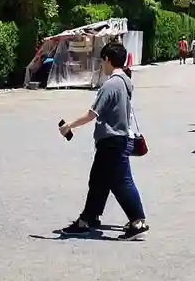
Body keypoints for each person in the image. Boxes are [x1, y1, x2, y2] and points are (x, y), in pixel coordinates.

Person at [57, 41, 148, 238]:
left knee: (122, 182)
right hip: (118, 139)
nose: (101, 65)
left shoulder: (111, 84)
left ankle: (138, 222)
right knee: (98, 181)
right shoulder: (125, 81)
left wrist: (69, 125)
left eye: (102, 61)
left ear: (107, 59)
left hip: (112, 141)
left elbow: (92, 114)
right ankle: (88, 219)